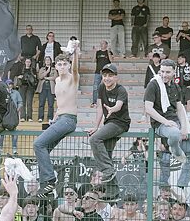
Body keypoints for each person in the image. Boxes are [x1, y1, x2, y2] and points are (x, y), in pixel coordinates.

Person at [34, 48, 81, 197]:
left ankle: (49, 180)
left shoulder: (73, 78)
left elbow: (75, 70)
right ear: (55, 66)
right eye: (59, 64)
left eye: (65, 64)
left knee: (38, 144)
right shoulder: (57, 80)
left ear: (69, 65)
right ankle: (45, 186)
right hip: (60, 118)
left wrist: (75, 54)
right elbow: (60, 104)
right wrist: (54, 119)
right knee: (43, 149)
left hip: (69, 119)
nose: (62, 67)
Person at [144, 59, 190, 183]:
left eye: (167, 72)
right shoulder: (153, 85)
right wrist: (165, 122)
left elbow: (180, 109)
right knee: (174, 134)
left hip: (175, 122)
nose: (164, 75)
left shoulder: (176, 86)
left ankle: (181, 184)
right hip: (160, 124)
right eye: (162, 71)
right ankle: (176, 151)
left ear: (174, 72)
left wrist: (184, 127)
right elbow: (148, 108)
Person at [87, 64, 129, 201]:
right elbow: (100, 108)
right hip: (108, 123)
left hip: (120, 123)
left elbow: (119, 105)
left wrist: (112, 109)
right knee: (107, 154)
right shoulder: (101, 87)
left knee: (94, 139)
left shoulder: (121, 90)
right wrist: (96, 126)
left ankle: (108, 171)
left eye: (110, 75)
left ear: (116, 77)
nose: (107, 78)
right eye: (105, 75)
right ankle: (113, 191)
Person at [90, 40, 113, 106]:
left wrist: (108, 52)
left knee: (107, 87)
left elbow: (111, 60)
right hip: (98, 72)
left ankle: (106, 102)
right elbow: (93, 60)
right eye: (100, 43)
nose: (101, 45)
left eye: (103, 43)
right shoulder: (98, 52)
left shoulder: (109, 52)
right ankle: (94, 102)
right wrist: (95, 52)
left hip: (106, 73)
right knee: (95, 87)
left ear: (106, 45)